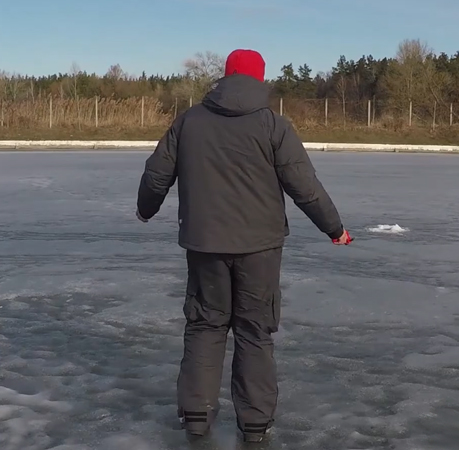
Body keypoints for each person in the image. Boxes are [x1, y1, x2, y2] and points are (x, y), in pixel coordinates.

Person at [135, 48, 351, 443]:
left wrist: (146, 210)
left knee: (205, 326)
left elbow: (156, 174)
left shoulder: (189, 122)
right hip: (259, 249)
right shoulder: (273, 125)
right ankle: (254, 423)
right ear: (258, 79)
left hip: (204, 246)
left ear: (225, 76)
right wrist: (334, 228)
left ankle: (197, 417)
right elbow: (304, 186)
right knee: (254, 331)